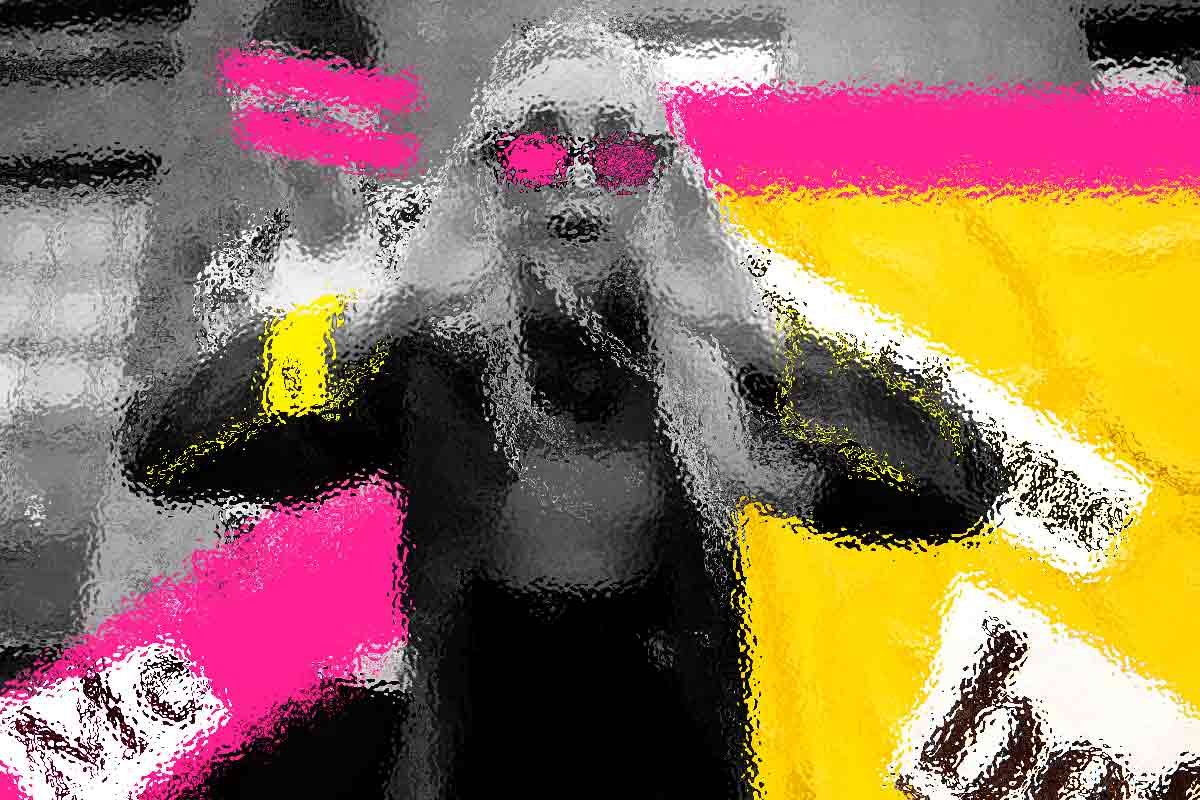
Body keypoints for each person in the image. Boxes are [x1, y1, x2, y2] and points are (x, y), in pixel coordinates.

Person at [122, 9, 1000, 799]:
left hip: (672, 758)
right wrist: (372, 319)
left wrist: (763, 344)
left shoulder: (710, 362)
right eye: (539, 152)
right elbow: (162, 452)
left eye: (617, 156)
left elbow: (960, 487)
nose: (577, 185)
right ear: (490, 179)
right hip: (472, 759)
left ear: (659, 185)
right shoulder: (430, 361)